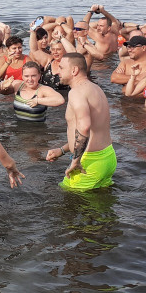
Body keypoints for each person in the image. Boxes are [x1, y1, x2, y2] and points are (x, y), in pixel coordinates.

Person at [45, 52, 116, 190]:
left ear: (74, 70)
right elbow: (93, 130)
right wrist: (62, 150)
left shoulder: (76, 92)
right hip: (108, 157)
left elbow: (84, 127)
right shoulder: (96, 88)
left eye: (61, 67)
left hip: (89, 162)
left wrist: (75, 161)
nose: (58, 72)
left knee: (68, 202)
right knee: (98, 207)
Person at [1, 60, 66, 122]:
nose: (30, 79)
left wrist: (38, 101)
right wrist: (2, 86)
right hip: (18, 128)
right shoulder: (17, 85)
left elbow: (60, 100)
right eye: (26, 76)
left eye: (33, 76)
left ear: (39, 76)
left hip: (37, 130)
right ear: (22, 76)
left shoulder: (43, 90)